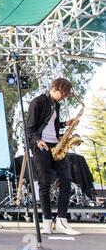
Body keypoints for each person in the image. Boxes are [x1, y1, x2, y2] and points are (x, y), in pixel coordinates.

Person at [26, 77, 81, 235]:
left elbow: (52, 125)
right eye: (62, 93)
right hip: (41, 146)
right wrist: (38, 141)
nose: (63, 97)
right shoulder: (38, 102)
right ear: (55, 88)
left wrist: (65, 124)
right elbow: (29, 128)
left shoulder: (55, 104)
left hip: (56, 145)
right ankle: (47, 221)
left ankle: (62, 220)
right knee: (44, 183)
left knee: (66, 181)